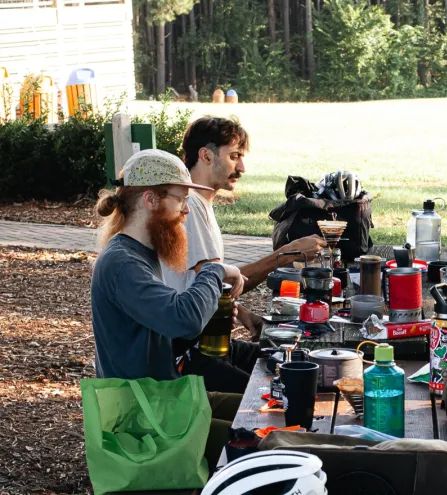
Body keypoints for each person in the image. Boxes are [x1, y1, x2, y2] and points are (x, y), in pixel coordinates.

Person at [90, 149, 248, 468]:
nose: (186, 211)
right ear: (151, 200)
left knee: (257, 410)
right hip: (139, 429)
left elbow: (169, 331)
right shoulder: (122, 263)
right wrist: (214, 271)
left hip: (161, 405)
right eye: (180, 199)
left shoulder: (140, 255)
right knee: (258, 442)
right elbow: (183, 319)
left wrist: (208, 320)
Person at [160, 116, 326, 393]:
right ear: (206, 156)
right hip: (193, 356)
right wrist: (285, 254)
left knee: (299, 366)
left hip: (213, 344)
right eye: (234, 156)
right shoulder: (190, 209)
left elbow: (213, 287)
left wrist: (247, 316)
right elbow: (212, 284)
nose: (242, 167)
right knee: (279, 393)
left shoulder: (200, 205)